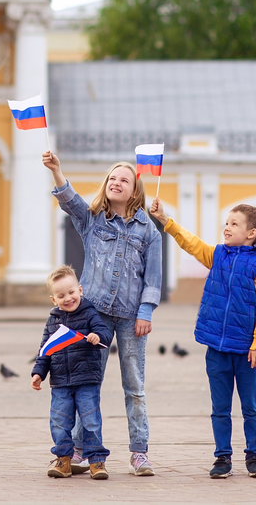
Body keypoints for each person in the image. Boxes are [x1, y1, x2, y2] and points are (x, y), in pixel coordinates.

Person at [42, 151, 163, 477]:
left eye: (124, 179)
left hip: (129, 318)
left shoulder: (148, 232)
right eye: (112, 178)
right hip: (90, 315)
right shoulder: (93, 219)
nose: (116, 183)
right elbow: (70, 200)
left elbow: (152, 280)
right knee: (85, 383)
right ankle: (80, 451)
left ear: (134, 189)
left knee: (134, 386)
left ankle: (139, 452)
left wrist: (145, 313)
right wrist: (57, 170)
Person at [149, 200, 256, 479]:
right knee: (220, 408)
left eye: (233, 224)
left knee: (250, 407)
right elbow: (191, 243)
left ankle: (254, 455)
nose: (226, 228)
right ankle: (222, 457)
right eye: (226, 223)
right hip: (216, 348)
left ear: (251, 233)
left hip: (246, 352)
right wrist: (165, 220)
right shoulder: (216, 255)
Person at [32, 265, 112, 480]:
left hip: (87, 378)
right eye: (61, 295)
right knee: (59, 422)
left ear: (80, 290)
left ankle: (96, 461)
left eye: (71, 292)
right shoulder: (53, 321)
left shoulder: (89, 313)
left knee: (91, 421)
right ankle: (64, 460)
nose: (68, 298)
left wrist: (98, 336)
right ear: (53, 299)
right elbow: (45, 350)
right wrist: (39, 372)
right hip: (60, 381)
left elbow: (104, 332)